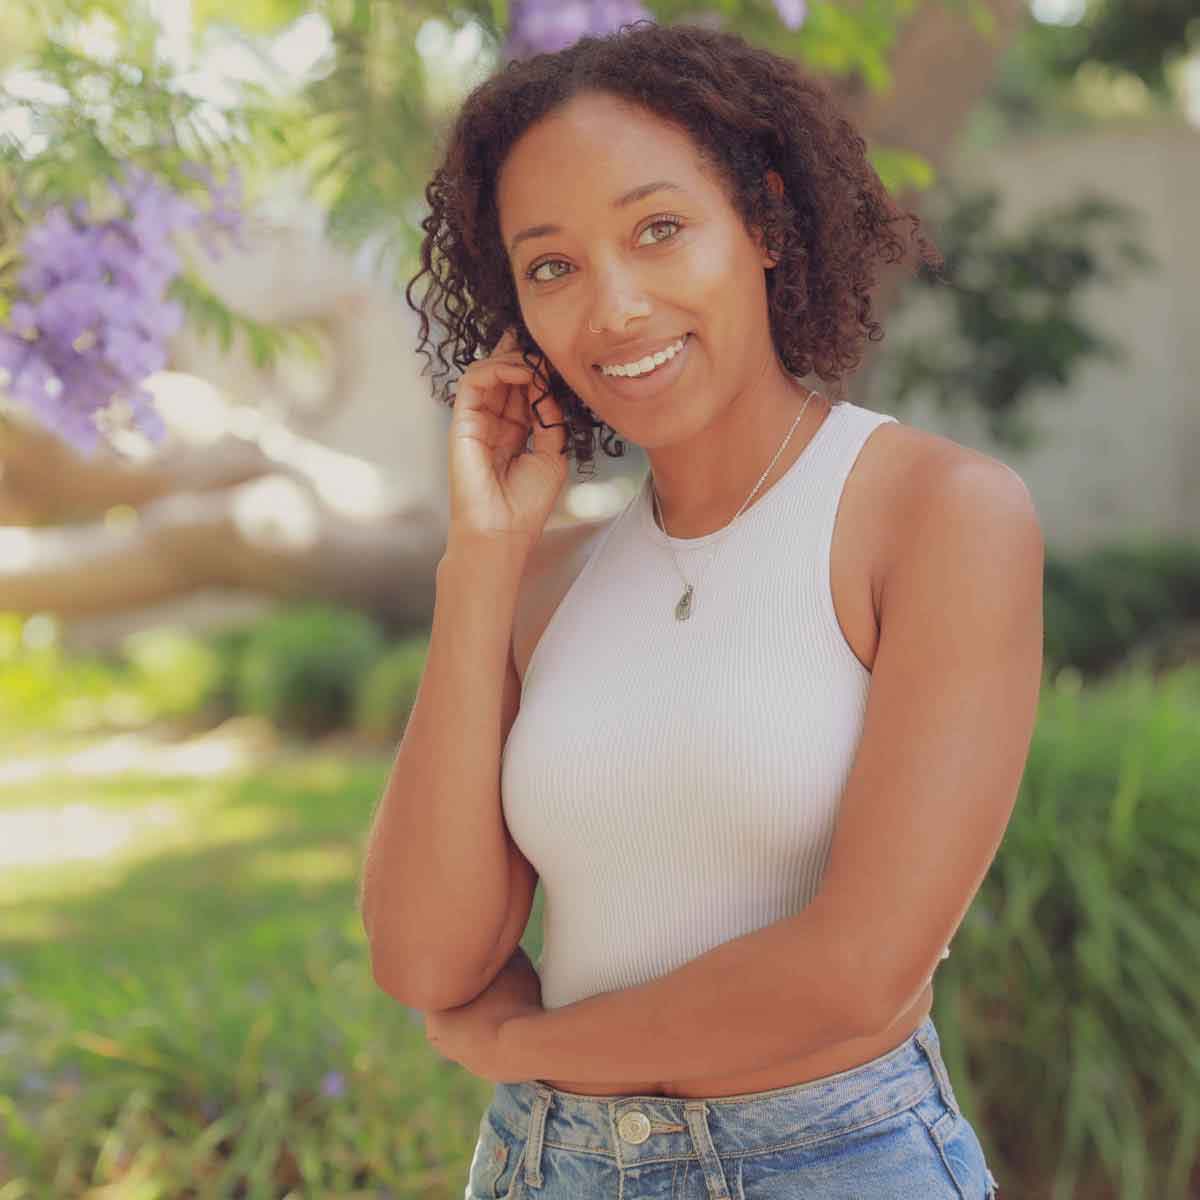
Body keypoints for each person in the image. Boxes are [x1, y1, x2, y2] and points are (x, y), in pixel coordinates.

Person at [362, 20, 1043, 1199]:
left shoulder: (936, 515)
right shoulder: (542, 575)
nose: (615, 308)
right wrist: (478, 561)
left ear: (767, 227)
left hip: (834, 1162)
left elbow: (856, 972)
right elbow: (427, 955)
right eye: (553, 266)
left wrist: (525, 1050)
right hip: (541, 1170)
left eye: (658, 230)